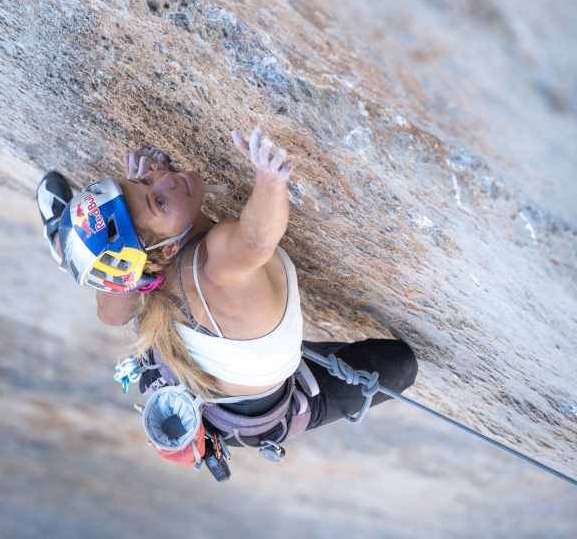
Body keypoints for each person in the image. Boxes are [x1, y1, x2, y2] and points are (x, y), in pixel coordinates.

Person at [36, 128, 417, 436]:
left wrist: (151, 196)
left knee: (120, 304)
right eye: (159, 201)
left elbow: (112, 314)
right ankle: (67, 240)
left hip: (183, 362)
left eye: (146, 179)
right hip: (252, 410)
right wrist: (270, 181)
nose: (165, 177)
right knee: (400, 364)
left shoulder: (149, 267)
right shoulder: (214, 262)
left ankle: (69, 241)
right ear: (165, 252)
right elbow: (254, 240)